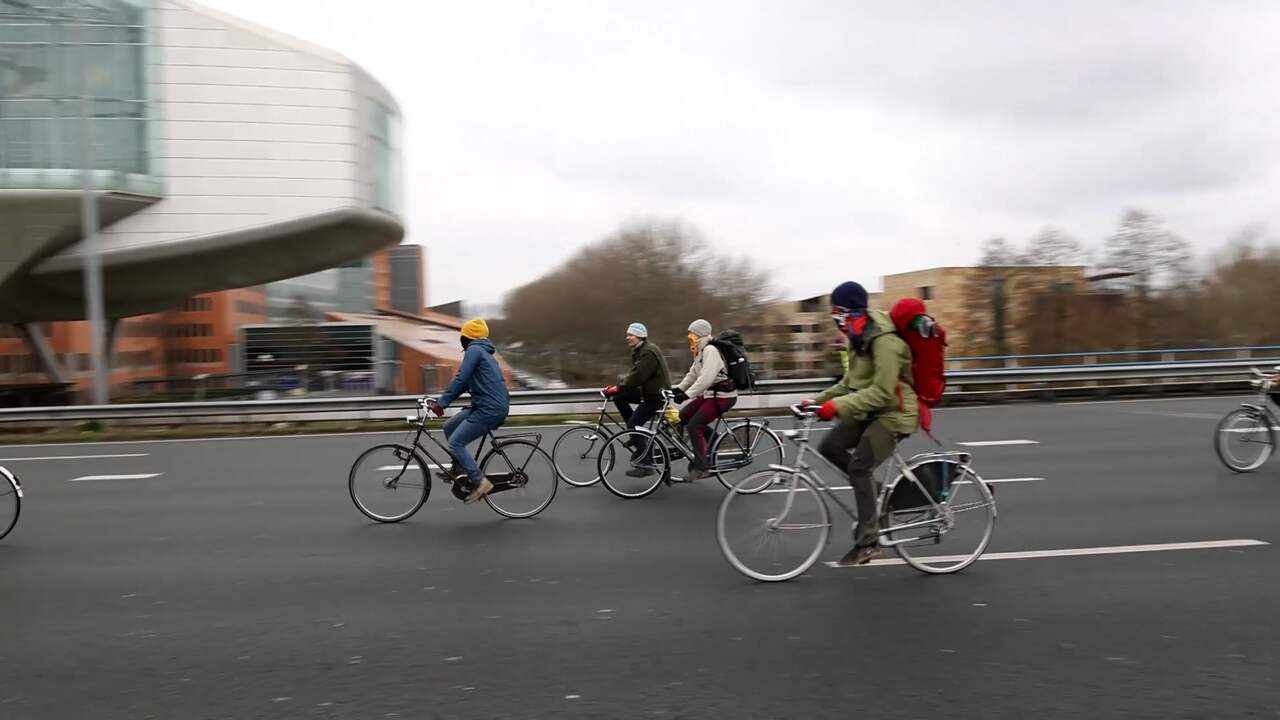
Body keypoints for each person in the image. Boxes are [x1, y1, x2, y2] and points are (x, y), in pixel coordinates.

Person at [810, 281, 919, 566]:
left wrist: (838, 407)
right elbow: (850, 384)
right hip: (872, 410)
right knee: (830, 445)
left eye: (837, 312)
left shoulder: (885, 341)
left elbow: (883, 392)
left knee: (859, 466)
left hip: (895, 413)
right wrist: (816, 401)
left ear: (849, 311)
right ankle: (877, 493)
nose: (834, 318)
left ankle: (869, 542)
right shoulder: (858, 336)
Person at [429, 318, 510, 503]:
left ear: (467, 337)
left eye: (462, 337)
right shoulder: (483, 352)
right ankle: (459, 469)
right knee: (449, 426)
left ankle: (480, 482)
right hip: (483, 405)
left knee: (456, 443)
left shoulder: (474, 350)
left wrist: (442, 403)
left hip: (490, 409)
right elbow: (465, 383)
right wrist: (442, 401)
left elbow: (461, 379)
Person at [603, 322, 671, 477]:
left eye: (630, 335)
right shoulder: (640, 350)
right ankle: (635, 436)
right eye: (627, 335)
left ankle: (646, 464)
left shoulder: (648, 352)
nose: (627, 338)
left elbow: (637, 377)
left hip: (656, 395)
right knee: (620, 398)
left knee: (634, 423)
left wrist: (617, 387)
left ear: (640, 336)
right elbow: (634, 375)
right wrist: (618, 388)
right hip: (648, 391)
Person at [672, 319, 737, 481]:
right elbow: (692, 374)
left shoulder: (710, 350)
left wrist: (687, 395)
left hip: (723, 396)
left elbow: (706, 379)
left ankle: (702, 467)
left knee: (695, 425)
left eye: (691, 334)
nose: (689, 337)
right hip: (710, 394)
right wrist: (679, 389)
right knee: (683, 416)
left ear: (699, 334)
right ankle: (715, 442)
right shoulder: (700, 351)